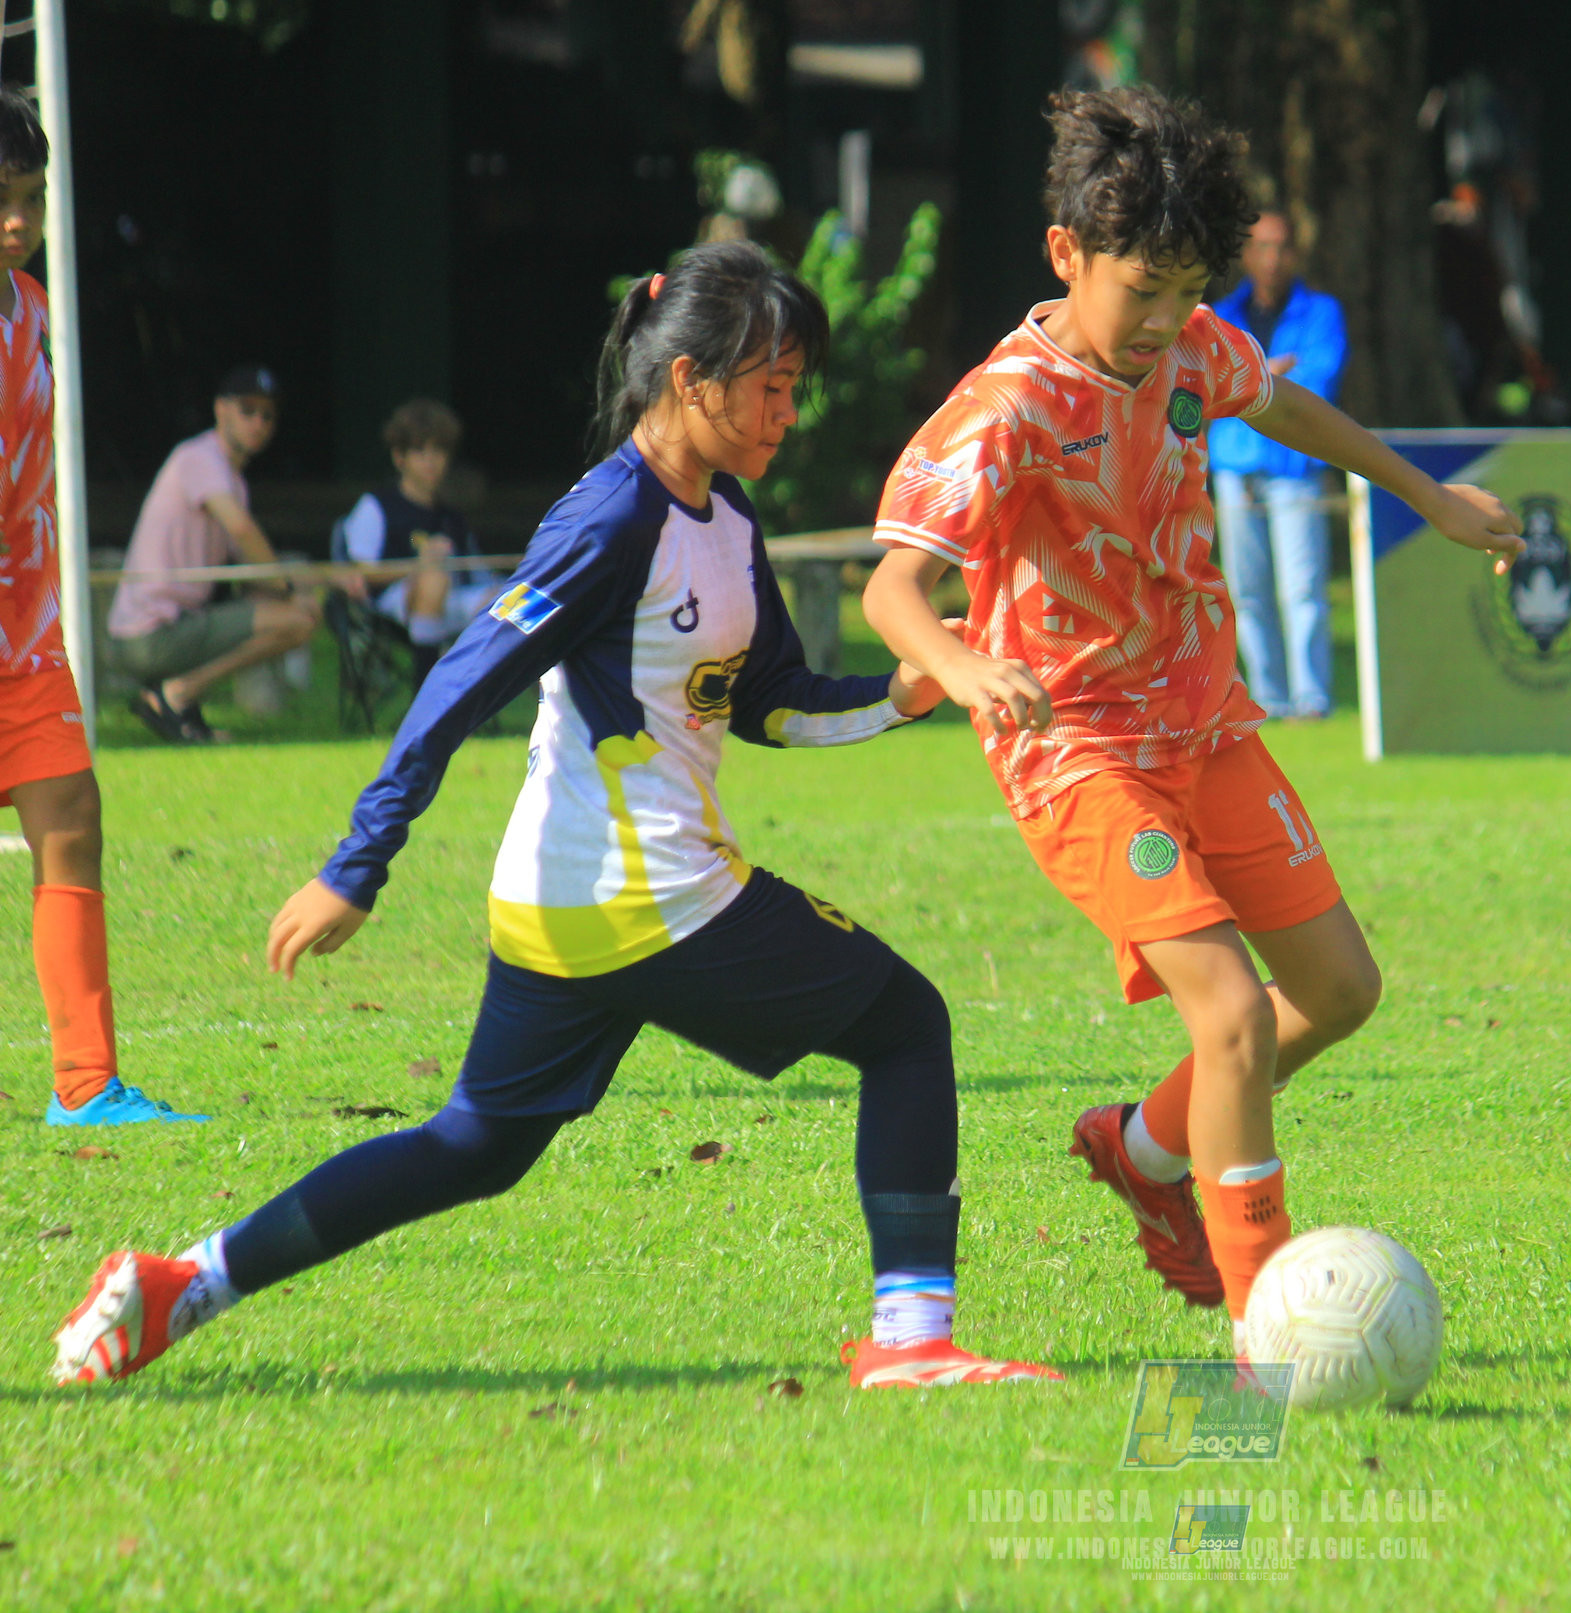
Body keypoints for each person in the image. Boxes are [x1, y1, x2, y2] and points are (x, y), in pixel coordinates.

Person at [51, 241, 1058, 1391]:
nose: (787, 412)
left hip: (569, 905)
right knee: (907, 1024)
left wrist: (900, 692)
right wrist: (356, 864)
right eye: (769, 385)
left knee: (471, 1146)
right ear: (689, 381)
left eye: (794, 386)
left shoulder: (724, 516)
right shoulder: (611, 519)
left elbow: (769, 702)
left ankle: (184, 1284)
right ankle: (915, 1345)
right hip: (650, 897)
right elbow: (456, 682)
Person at [862, 88, 1521, 1350]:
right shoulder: (1003, 409)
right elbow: (893, 585)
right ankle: (1272, 1331)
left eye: (1187, 289)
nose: (1166, 321)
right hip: (1079, 749)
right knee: (1226, 1013)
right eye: (1140, 290)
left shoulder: (1194, 348)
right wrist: (961, 661)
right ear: (1065, 253)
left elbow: (1283, 406)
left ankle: (1147, 1146)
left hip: (1207, 725)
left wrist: (1427, 495)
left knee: (1335, 990)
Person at [0, 89, 204, 1128]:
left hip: (24, 634)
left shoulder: (29, 306)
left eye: (29, 196)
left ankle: (86, 1084)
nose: (17, 219)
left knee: (71, 818)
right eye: (0, 198)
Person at [106, 366, 320, 743]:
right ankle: (176, 695)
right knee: (297, 620)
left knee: (297, 613)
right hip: (150, 634)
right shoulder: (200, 458)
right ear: (221, 410)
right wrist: (289, 589)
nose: (258, 422)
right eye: (248, 410)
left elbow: (247, 564)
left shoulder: (230, 477)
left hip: (175, 624)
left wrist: (321, 582)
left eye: (267, 415)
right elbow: (242, 530)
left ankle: (181, 703)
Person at [1207, 209, 1346, 720]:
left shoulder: (1321, 312)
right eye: (1261, 247)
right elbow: (1213, 385)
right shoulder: (1221, 314)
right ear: (1246, 254)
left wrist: (1251, 379)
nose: (1272, 258)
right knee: (1247, 592)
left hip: (1294, 469)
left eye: (1281, 247)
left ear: (1295, 253)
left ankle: (1312, 698)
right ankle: (1267, 696)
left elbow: (1319, 382)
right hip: (1235, 469)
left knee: (1303, 587)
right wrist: (1270, 374)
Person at [336, 398, 501, 687]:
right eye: (419, 451)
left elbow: (477, 573)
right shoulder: (377, 506)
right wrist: (419, 566)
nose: (431, 461)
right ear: (399, 457)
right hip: (394, 607)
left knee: (514, 599)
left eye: (439, 451)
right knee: (433, 579)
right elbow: (364, 572)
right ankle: (425, 693)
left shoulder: (452, 517)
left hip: (455, 600)